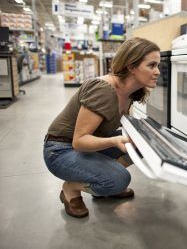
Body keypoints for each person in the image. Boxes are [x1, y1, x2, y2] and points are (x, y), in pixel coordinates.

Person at [43, 37, 161, 218]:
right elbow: (79, 141)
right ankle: (71, 188)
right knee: (119, 179)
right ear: (131, 66)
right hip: (60, 151)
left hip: (85, 147)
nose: (157, 72)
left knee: (145, 141)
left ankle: (104, 182)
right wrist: (114, 140)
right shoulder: (103, 90)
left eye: (158, 65)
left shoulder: (129, 91)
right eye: (151, 65)